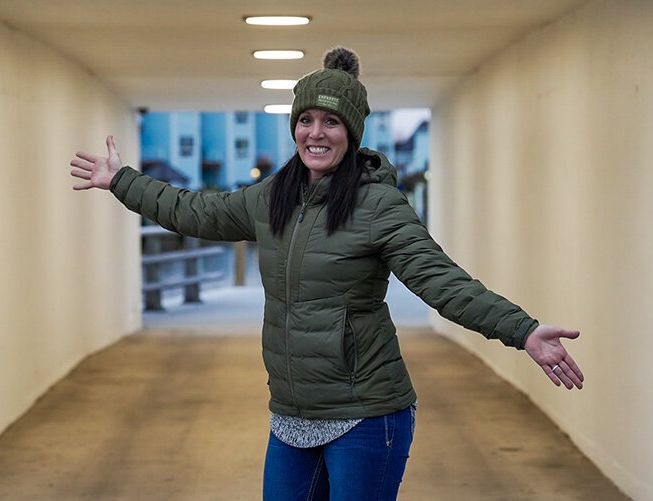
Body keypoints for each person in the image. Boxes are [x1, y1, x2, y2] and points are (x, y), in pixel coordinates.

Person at [70, 47, 584, 501]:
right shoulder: (272, 197)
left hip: (366, 414)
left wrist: (522, 330)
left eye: (331, 122)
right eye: (306, 120)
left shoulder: (378, 204)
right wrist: (122, 181)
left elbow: (440, 281)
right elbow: (195, 211)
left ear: (352, 132)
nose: (315, 133)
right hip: (291, 412)